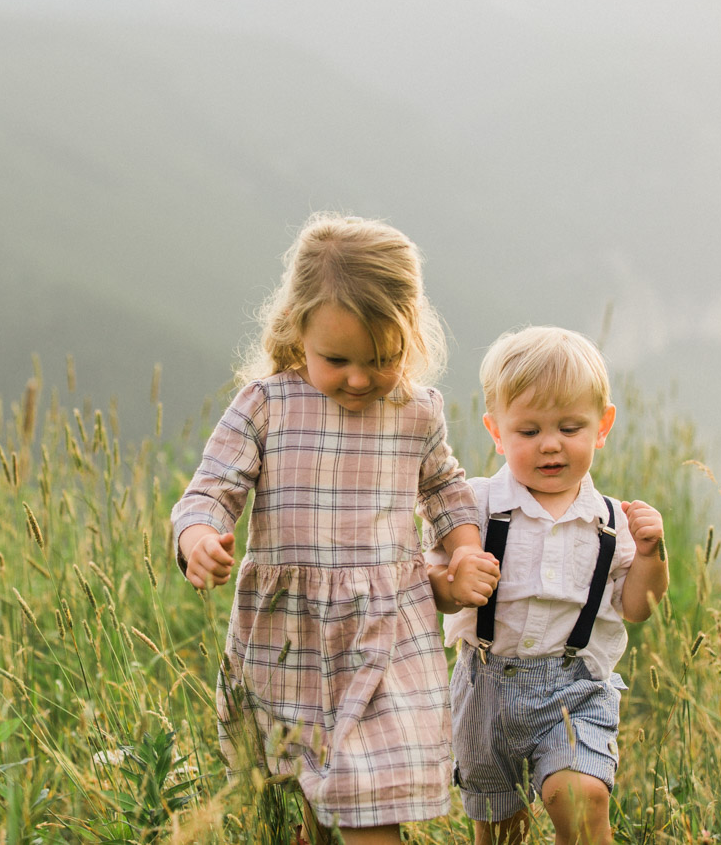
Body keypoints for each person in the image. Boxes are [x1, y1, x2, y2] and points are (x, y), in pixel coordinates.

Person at [171, 213, 499, 845]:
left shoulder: (414, 412)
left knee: (369, 801)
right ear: (298, 331)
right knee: (316, 795)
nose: (359, 378)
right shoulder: (267, 405)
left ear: (410, 337)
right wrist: (199, 541)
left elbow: (446, 491)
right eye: (337, 359)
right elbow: (210, 490)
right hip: (292, 636)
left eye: (381, 359)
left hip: (388, 633)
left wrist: (462, 554)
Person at [426, 325, 669, 845]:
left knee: (579, 796)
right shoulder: (475, 504)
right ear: (497, 431)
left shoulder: (612, 521)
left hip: (574, 686)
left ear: (602, 426)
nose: (551, 445)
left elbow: (636, 607)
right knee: (499, 830)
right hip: (485, 686)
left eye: (570, 427)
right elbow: (430, 586)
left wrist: (652, 555)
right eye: (529, 431)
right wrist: (453, 579)